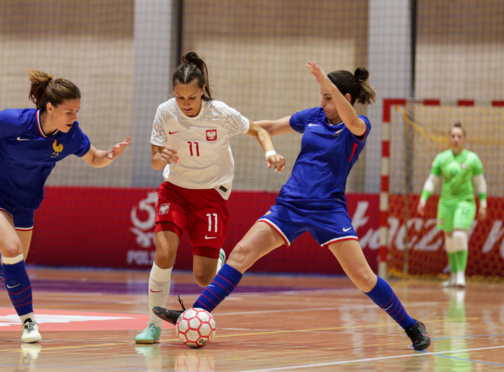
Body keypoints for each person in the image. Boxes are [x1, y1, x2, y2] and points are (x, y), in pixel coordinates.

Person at [153, 61, 432, 351]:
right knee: (241, 254)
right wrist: (214, 130)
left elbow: (352, 121)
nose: (321, 102)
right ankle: (196, 314)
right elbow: (270, 127)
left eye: (327, 97)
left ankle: (412, 325)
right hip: (289, 205)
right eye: (322, 96)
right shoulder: (313, 117)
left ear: (343, 98)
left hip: (328, 210)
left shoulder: (358, 126)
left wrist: (329, 83)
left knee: (363, 278)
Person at [0, 70, 131, 343]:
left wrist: (109, 155)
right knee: (12, 249)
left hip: (25, 201)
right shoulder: (15, 121)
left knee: (14, 261)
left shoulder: (70, 135)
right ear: (49, 108)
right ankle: (28, 322)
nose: (74, 118)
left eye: (77, 111)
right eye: (69, 112)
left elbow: (95, 157)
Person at [135, 52, 285, 344]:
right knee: (164, 253)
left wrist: (270, 152)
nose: (186, 103)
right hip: (175, 189)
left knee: (203, 278)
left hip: (211, 195)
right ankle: (153, 325)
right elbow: (154, 161)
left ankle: (217, 257)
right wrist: (160, 155)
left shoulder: (221, 113)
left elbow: (258, 130)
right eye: (180, 97)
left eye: (191, 97)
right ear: (173, 93)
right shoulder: (165, 112)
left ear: (202, 91)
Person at [417, 122, 487, 288]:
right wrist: (423, 199)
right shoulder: (442, 158)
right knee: (449, 240)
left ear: (464, 139)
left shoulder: (472, 158)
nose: (456, 139)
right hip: (446, 203)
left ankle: (461, 276)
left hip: (465, 202)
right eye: (453, 136)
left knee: (459, 235)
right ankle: (454, 275)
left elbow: (480, 182)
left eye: (459, 136)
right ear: (449, 138)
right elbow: (432, 180)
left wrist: (483, 203)